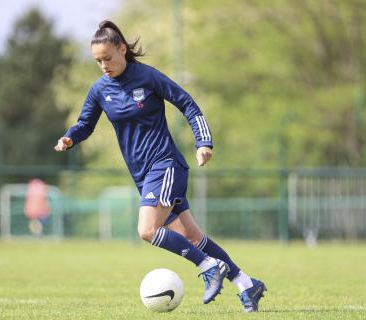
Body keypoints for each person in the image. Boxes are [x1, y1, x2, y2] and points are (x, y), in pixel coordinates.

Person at [54, 20, 266, 312]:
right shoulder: (100, 89)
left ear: (122, 49)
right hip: (143, 176)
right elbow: (85, 125)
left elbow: (187, 103)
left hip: (165, 165)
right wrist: (69, 138)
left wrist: (204, 141)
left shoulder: (147, 77)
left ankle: (207, 266)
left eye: (108, 58)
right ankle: (246, 284)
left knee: (147, 230)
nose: (103, 65)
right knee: (193, 236)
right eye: (98, 61)